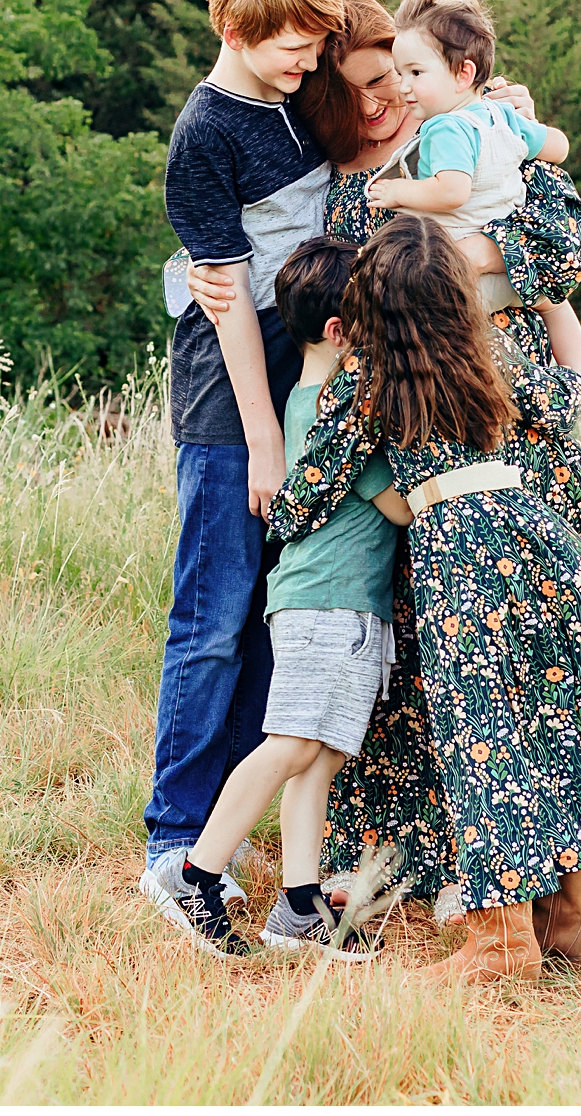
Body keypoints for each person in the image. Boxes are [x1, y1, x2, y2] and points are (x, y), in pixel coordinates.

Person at [187, 0, 581, 962]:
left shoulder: (482, 145)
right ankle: (413, 866)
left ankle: (546, 876)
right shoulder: (338, 187)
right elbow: (306, 280)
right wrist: (194, 276)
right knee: (412, 664)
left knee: (526, 651)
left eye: (395, 78)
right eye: (361, 88)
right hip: (401, 437)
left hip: (502, 402)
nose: (383, 101)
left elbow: (559, 253)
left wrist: (447, 259)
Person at [267, 214, 581, 981]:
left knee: (486, 743)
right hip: (532, 533)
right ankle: (564, 924)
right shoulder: (490, 355)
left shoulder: (370, 385)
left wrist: (280, 512)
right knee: (544, 728)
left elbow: (306, 495)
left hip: (460, 552)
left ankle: (501, 944)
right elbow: (568, 395)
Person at [144, 0, 347, 899]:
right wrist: (267, 444)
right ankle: (171, 840)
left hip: (305, 383)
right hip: (232, 401)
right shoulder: (205, 135)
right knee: (214, 620)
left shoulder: (297, 97)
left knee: (279, 619)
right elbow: (224, 307)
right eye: (290, 43)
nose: (307, 58)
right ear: (233, 28)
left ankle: (229, 831)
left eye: (315, 40)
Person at [142, 238, 407, 961]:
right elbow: (397, 507)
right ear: (339, 332)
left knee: (317, 756)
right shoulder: (337, 415)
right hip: (327, 606)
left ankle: (298, 906)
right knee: (288, 744)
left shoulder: (305, 399)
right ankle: (197, 873)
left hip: (335, 603)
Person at [369, 0, 581, 393]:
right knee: (553, 304)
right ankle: (578, 379)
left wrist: (397, 194)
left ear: (463, 73)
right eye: (400, 74)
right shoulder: (501, 116)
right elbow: (558, 146)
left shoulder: (444, 128)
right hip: (517, 266)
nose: (402, 87)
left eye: (415, 73)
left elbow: (451, 191)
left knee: (440, 322)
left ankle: (496, 388)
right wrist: (530, 134)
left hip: (462, 271)